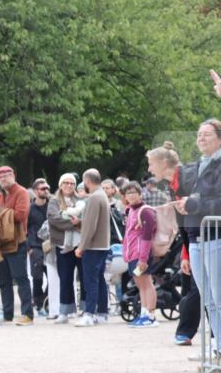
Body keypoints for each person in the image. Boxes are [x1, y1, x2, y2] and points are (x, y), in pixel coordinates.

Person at [176, 118, 221, 354]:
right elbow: (193, 201)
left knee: (219, 298)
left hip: (215, 237)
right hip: (195, 238)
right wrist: (186, 206)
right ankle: (219, 348)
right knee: (208, 300)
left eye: (206, 134)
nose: (200, 138)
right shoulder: (196, 166)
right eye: (198, 133)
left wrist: (195, 205)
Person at [148, 141, 200, 345]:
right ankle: (187, 333)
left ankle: (190, 333)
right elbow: (183, 223)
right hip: (192, 237)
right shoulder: (173, 185)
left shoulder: (188, 177)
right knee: (189, 285)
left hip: (206, 235)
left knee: (198, 287)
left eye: (151, 164)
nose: (150, 169)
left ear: (163, 163)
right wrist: (186, 253)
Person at [0, 166, 34, 325]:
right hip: (1, 243)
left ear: (14, 175)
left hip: (17, 242)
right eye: (0, 177)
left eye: (7, 175)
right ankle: (7, 314)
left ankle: (27, 314)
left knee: (21, 279)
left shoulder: (21, 192)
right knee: (3, 281)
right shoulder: (0, 195)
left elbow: (21, 215)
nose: (3, 178)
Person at [74, 169, 111, 327]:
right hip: (103, 245)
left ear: (87, 181)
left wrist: (82, 246)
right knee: (100, 279)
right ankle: (102, 312)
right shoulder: (102, 195)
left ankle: (89, 313)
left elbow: (89, 226)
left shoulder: (94, 198)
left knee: (90, 280)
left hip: (94, 246)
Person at [120, 181, 158, 328]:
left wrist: (143, 259)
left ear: (140, 193)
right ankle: (143, 314)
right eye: (128, 193)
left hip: (141, 255)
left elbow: (146, 237)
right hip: (132, 255)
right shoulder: (130, 210)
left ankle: (152, 316)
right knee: (140, 285)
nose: (131, 195)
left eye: (134, 192)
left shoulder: (145, 211)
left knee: (147, 283)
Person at [48, 174, 83, 323]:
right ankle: (64, 311)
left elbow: (85, 218)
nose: (69, 185)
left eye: (71, 183)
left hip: (80, 244)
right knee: (65, 278)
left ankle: (86, 309)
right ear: (60, 184)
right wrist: (75, 224)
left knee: (84, 277)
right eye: (66, 183)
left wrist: (79, 222)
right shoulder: (54, 201)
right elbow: (54, 219)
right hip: (63, 245)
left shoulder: (80, 200)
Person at [27, 178, 51, 317]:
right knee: (37, 277)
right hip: (35, 246)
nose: (46, 190)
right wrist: (28, 247)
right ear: (35, 191)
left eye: (47, 188)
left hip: (51, 246)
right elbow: (24, 228)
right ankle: (38, 303)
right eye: (42, 188)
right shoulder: (29, 209)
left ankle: (46, 302)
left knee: (53, 277)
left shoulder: (52, 206)